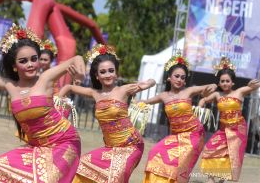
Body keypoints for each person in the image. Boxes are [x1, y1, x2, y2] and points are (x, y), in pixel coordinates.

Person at [0, 24, 85, 182]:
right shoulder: (11, 85)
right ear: (14, 66)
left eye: (34, 59)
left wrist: (81, 73)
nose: (30, 64)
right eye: (23, 61)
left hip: (64, 142)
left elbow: (77, 59)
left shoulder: (45, 78)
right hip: (38, 146)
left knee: (43, 179)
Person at [58, 44, 156, 183]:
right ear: (97, 76)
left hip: (131, 146)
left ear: (116, 73)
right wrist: (59, 106)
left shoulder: (124, 89)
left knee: (114, 178)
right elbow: (68, 87)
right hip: (110, 148)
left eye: (111, 70)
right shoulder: (94, 93)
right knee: (80, 166)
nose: (108, 75)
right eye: (103, 72)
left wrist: (147, 83)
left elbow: (153, 82)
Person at [141, 52, 217, 183]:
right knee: (155, 152)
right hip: (175, 136)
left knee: (181, 166)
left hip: (194, 135)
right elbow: (144, 102)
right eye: (176, 76)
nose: (179, 80)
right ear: (169, 78)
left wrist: (210, 88)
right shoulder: (163, 96)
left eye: (182, 77)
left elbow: (213, 86)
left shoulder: (188, 91)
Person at [198, 57, 260, 183]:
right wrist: (199, 107)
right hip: (223, 130)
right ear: (219, 83)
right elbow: (204, 99)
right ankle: (211, 179)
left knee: (230, 155)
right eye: (222, 81)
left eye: (227, 81)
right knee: (209, 149)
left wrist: (252, 84)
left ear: (232, 82)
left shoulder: (240, 92)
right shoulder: (217, 95)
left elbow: (255, 86)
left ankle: (221, 180)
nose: (225, 83)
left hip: (237, 130)